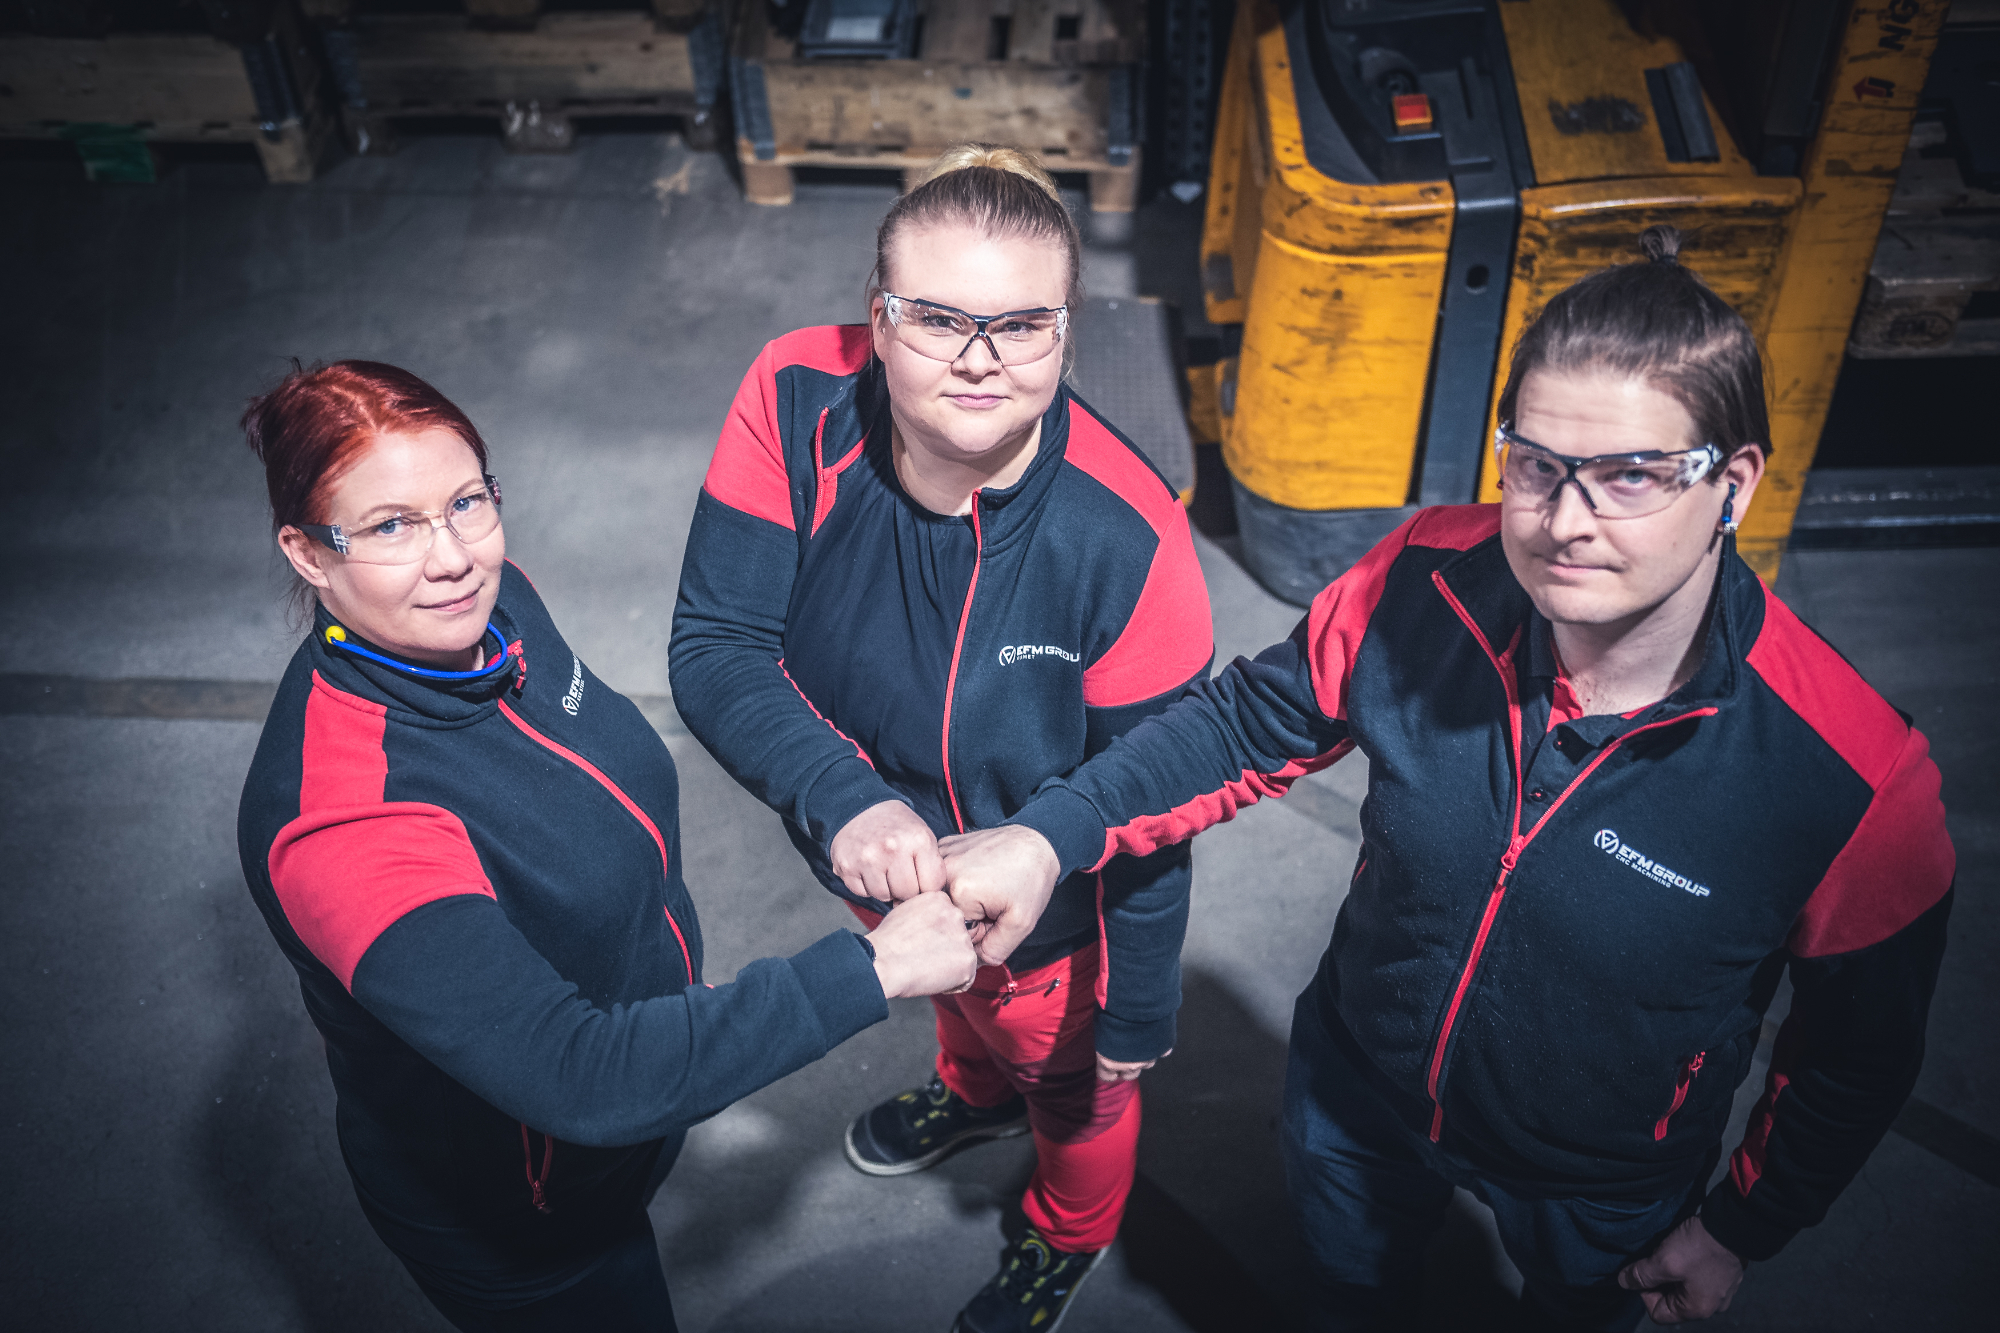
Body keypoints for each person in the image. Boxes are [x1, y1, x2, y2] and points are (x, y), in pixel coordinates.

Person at [938, 227, 1955, 1330]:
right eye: (1537, 466)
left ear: (1733, 485)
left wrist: (1741, 1225)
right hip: (1357, 1088)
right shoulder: (1426, 578)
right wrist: (1050, 833)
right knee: (1351, 1294)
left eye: (1629, 476)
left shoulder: (1854, 774)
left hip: (1601, 1180)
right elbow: (1244, 724)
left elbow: (1853, 1058)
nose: (1565, 523)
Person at [235, 360, 978, 1332]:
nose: (453, 557)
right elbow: (583, 1077)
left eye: (466, 502)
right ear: (306, 553)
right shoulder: (344, 821)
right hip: (529, 1218)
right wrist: (872, 969)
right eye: (389, 527)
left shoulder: (496, 610)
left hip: (635, 1110)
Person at [670, 146, 1214, 1331]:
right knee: (960, 1012)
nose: (978, 358)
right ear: (876, 319)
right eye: (936, 319)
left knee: (1072, 1093)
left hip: (1048, 917)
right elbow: (718, 643)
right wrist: (844, 799)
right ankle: (972, 1094)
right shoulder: (793, 396)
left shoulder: (1128, 536)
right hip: (869, 854)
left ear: (1065, 331)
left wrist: (1136, 1005)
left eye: (1020, 325)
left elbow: (1155, 801)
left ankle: (1068, 1231)